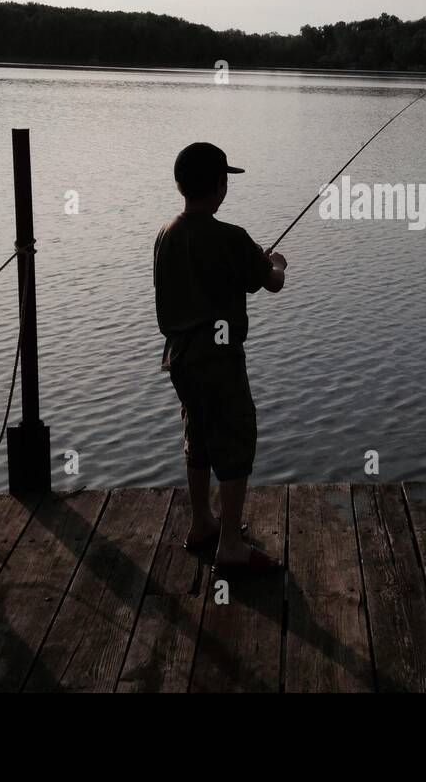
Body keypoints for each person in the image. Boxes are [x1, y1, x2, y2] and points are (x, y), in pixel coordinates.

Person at [153, 142, 287, 576]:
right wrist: (278, 263)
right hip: (219, 359)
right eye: (225, 178)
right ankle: (229, 545)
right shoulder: (233, 238)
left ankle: (201, 524)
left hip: (180, 360)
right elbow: (269, 283)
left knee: (198, 433)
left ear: (180, 185)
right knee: (234, 436)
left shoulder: (166, 233)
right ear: (219, 186)